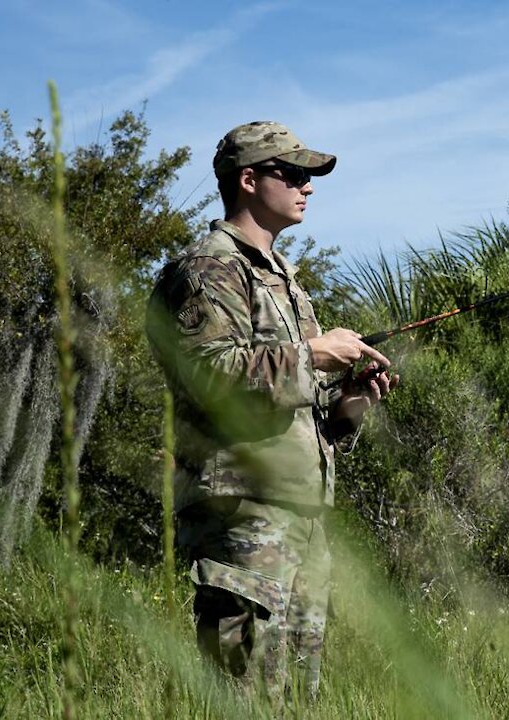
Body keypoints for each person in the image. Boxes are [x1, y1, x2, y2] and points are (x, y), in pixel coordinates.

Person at [146, 120, 398, 704]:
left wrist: (343, 413)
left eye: (308, 176)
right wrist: (312, 353)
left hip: (299, 516)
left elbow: (284, 400)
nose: (307, 186)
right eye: (294, 173)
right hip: (243, 513)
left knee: (298, 695)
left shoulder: (286, 281)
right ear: (250, 180)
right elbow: (210, 375)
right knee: (245, 694)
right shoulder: (208, 270)